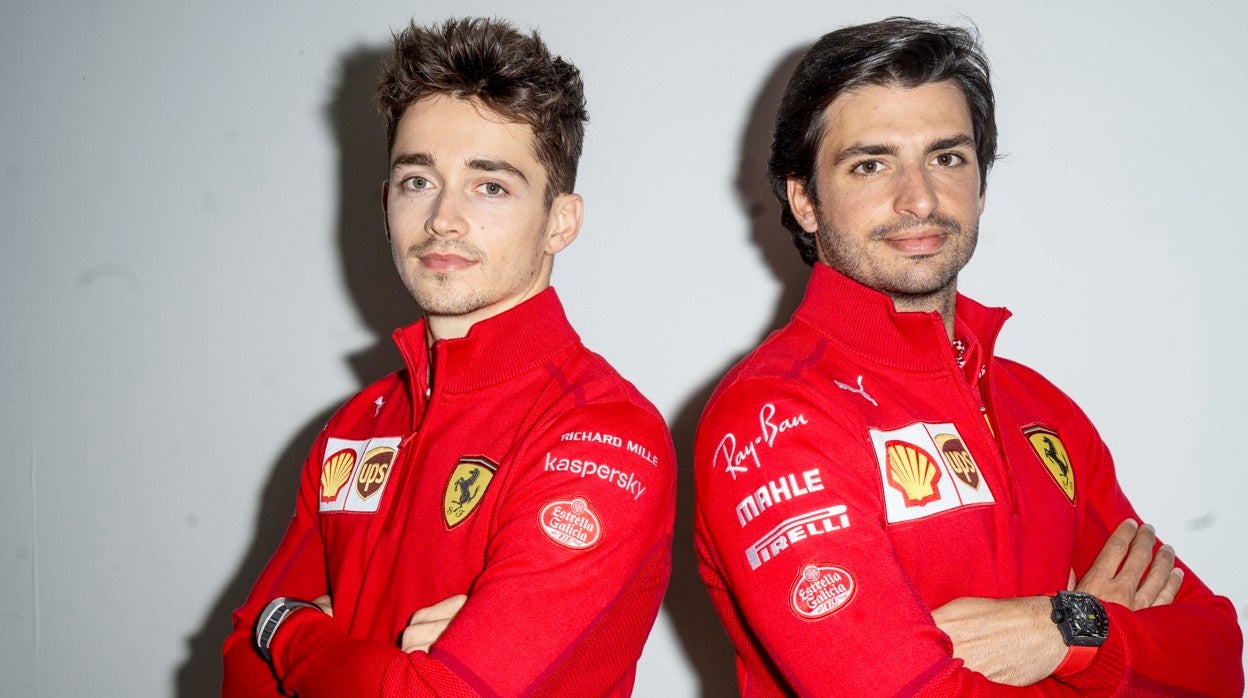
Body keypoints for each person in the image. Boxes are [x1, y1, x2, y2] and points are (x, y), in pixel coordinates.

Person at [693, 17, 1242, 695]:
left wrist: (1066, 630)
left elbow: (1217, 660)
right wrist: (1104, 651)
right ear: (805, 200)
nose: (919, 198)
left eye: (946, 157)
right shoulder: (773, 417)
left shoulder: (1041, 408)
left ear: (981, 183)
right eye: (871, 165)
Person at [222, 17, 675, 697]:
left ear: (560, 221)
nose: (443, 219)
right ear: (386, 203)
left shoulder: (602, 433)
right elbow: (241, 670)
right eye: (417, 181)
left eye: (490, 186)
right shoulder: (356, 426)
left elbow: (432, 692)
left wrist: (288, 629)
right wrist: (385, 663)